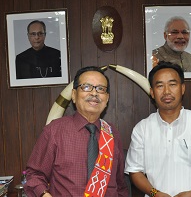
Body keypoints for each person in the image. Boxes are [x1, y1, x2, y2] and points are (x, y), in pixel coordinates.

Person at [125, 61, 191, 197]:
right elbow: (135, 171)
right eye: (160, 86)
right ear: (152, 92)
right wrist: (155, 193)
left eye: (172, 84)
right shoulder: (142, 128)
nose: (166, 91)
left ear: (183, 88)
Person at [24, 66, 129, 197]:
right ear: (74, 95)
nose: (94, 93)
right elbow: (34, 174)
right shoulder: (55, 130)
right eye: (86, 87)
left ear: (107, 99)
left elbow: (120, 185)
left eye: (101, 89)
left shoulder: (113, 133)